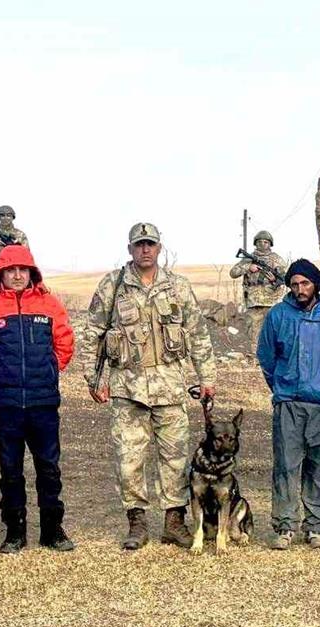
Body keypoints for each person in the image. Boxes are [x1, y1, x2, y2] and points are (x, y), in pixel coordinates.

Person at [80, 222, 217, 551]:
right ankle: (137, 522)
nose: (145, 250)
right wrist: (93, 378)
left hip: (170, 388)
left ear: (159, 248)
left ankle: (174, 521)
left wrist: (207, 378)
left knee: (175, 458)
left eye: (150, 244)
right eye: (139, 244)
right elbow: (93, 333)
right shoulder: (113, 286)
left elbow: (197, 334)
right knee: (129, 459)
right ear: (130, 249)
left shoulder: (177, 287)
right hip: (127, 388)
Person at [0, 244, 75, 553]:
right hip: (5, 403)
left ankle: (53, 530)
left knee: (49, 468)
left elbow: (65, 343)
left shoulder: (50, 305)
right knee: (10, 470)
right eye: (10, 270)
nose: (16, 275)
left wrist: (49, 367)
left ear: (31, 273)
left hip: (43, 401)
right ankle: (15, 531)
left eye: (22, 270)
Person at [257, 259, 320, 549]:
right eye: (294, 284)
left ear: (316, 284)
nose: (300, 289)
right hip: (289, 404)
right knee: (286, 465)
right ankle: (285, 525)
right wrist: (283, 387)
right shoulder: (278, 315)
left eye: (305, 283)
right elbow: (267, 357)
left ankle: (317, 526)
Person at [230, 230, 287, 350]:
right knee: (254, 330)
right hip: (253, 300)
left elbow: (284, 279)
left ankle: (274, 354)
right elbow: (233, 273)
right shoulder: (248, 259)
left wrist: (274, 280)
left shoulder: (277, 259)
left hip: (272, 300)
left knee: (274, 329)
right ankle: (254, 356)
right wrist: (248, 267)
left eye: (266, 242)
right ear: (255, 243)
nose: (262, 244)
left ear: (270, 244)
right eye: (259, 241)